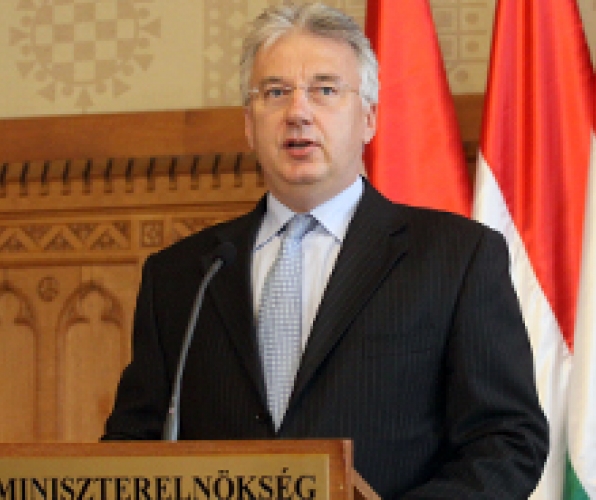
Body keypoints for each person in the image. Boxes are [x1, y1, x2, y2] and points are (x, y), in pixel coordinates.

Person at [103, 3, 548, 498]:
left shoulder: (456, 257)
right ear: (249, 125)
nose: (298, 113)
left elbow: (507, 441)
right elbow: (132, 445)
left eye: (325, 90)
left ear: (368, 118)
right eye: (276, 92)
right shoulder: (183, 275)